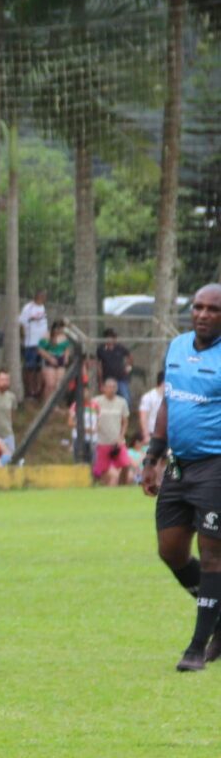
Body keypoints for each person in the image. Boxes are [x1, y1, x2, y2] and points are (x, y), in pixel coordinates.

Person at [143, 284, 221, 671]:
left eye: (213, 309)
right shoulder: (177, 347)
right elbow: (168, 403)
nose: (203, 314)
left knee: (212, 555)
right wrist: (152, 456)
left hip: (215, 466)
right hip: (179, 465)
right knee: (171, 550)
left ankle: (196, 648)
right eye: (198, 307)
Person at [19, 290, 50, 400]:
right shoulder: (28, 308)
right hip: (31, 342)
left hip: (42, 343)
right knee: (29, 367)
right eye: (43, 296)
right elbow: (21, 322)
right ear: (38, 296)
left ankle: (37, 391)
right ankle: (28, 392)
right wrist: (23, 338)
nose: (45, 298)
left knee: (39, 368)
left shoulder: (43, 308)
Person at [39, 321, 73, 404]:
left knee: (58, 384)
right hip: (50, 359)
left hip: (60, 360)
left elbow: (67, 348)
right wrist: (49, 358)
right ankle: (46, 402)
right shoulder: (47, 336)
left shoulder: (64, 337)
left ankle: (54, 404)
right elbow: (40, 349)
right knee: (50, 384)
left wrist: (66, 357)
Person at [96, 329, 133, 403]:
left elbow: (130, 356)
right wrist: (100, 382)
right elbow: (99, 365)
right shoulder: (101, 349)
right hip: (107, 379)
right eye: (108, 337)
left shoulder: (120, 348)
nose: (111, 340)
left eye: (113, 337)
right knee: (107, 399)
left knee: (126, 398)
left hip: (121, 378)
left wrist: (129, 366)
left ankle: (125, 413)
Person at [138, 372, 166, 453]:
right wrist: (146, 435)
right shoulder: (148, 397)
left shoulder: (170, 398)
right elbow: (143, 416)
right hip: (153, 433)